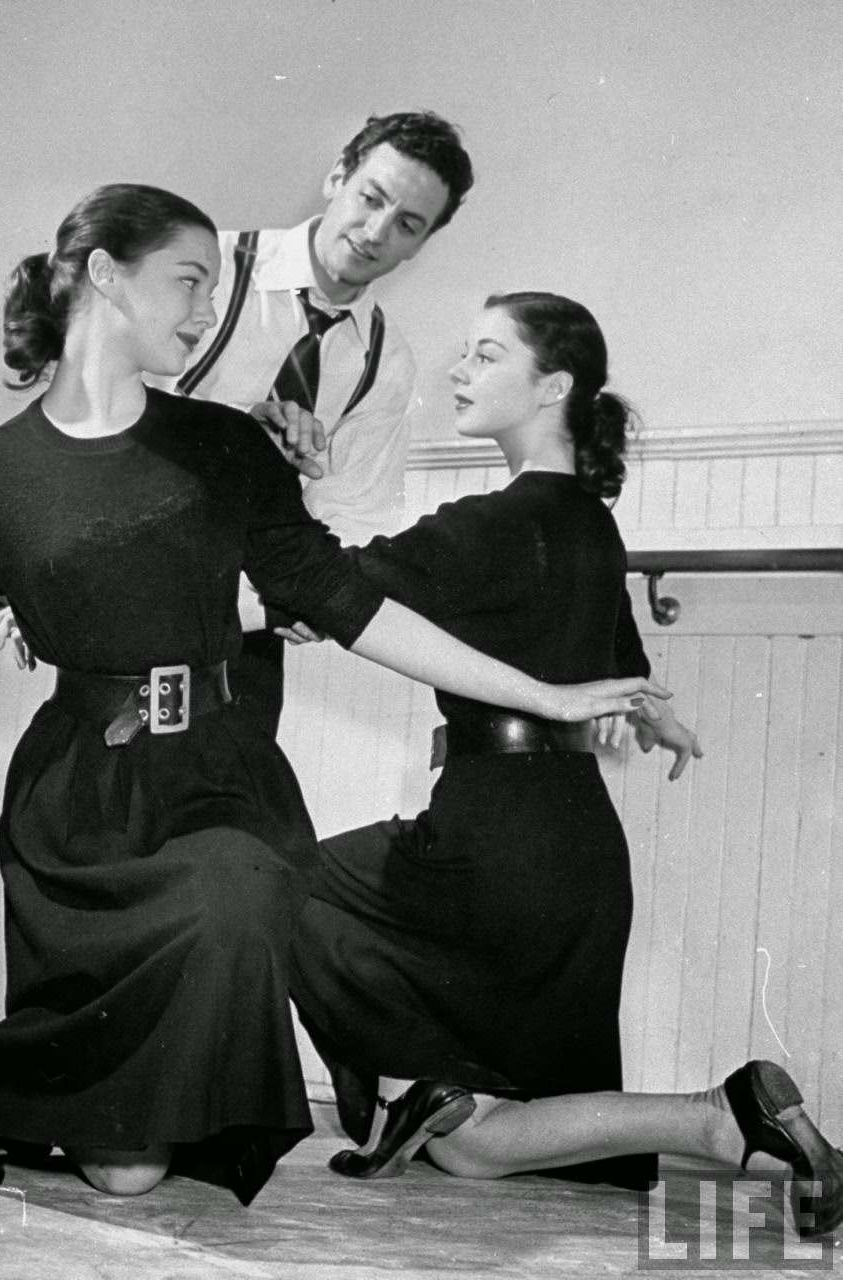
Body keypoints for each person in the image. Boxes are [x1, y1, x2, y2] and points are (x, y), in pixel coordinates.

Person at [0, 195, 661, 1210]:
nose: (208, 309)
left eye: (216, 285)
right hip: (81, 796)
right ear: (106, 276)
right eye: (190, 279)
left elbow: (349, 603)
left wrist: (545, 690)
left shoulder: (225, 446)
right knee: (129, 1175)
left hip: (221, 777)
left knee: (247, 892)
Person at [288, 292, 843, 1239]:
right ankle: (721, 1118)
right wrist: (657, 713)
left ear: (552, 386)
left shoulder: (488, 522)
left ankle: (417, 1083)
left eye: (486, 354)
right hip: (576, 852)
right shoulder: (588, 520)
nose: (460, 373)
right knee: (475, 1150)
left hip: (489, 840)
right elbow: (621, 664)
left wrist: (281, 498)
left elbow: (318, 591)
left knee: (277, 880)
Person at [0, 110, 475, 738]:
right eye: (371, 197)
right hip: (118, 595)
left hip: (242, 636)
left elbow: (356, 511)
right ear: (337, 176)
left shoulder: (385, 360)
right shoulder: (204, 263)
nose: (376, 231)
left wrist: (305, 597)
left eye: (408, 224)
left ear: (423, 242)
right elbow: (91, 403)